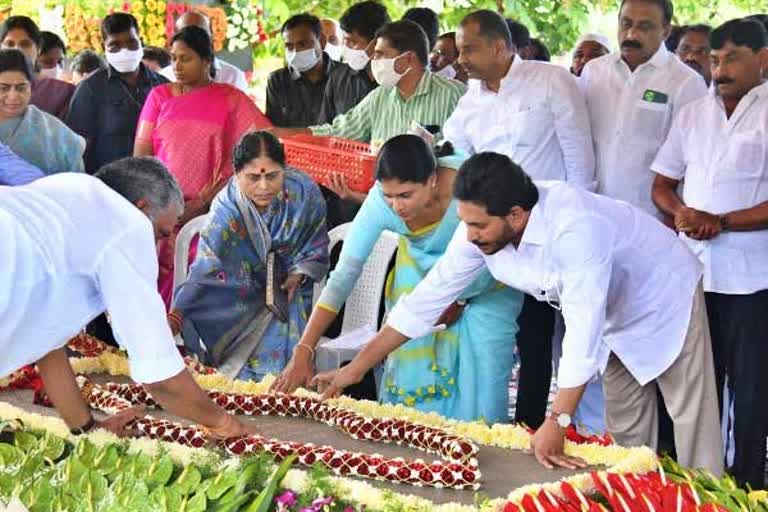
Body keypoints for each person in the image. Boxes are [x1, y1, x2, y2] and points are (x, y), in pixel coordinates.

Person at [314, 152, 724, 476]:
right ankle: (640, 497)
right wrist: (356, 369)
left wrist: (558, 420)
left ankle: (709, 500)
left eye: (478, 226)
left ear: (516, 215)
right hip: (613, 316)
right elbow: (425, 301)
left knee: (692, 419)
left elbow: (582, 332)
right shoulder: (478, 227)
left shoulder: (574, 228)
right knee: (626, 431)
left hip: (663, 296)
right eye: (466, 224)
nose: (469, 236)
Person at [0, 157, 258, 441]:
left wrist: (88, 430)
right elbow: (161, 376)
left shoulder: (67, 193)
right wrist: (224, 424)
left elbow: (48, 345)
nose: (159, 248)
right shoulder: (127, 224)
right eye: (161, 234)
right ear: (141, 208)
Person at [273, 135, 522, 423]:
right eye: (388, 195)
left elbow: (500, 243)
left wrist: (461, 297)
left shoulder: (469, 189)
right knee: (411, 373)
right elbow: (343, 276)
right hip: (419, 279)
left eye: (405, 195)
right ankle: (415, 462)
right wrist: (303, 350)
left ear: (432, 180)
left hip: (488, 282)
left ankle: (481, 459)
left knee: (485, 380)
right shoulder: (381, 201)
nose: (396, 206)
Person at [443, 10, 595, 429]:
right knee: (527, 335)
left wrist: (577, 228)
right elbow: (456, 155)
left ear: (498, 46)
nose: (462, 59)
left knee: (575, 333)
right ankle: (527, 426)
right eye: (459, 51)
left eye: (469, 49)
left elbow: (580, 161)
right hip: (499, 238)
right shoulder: (469, 99)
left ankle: (575, 425)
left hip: (553, 232)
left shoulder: (551, 81)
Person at [651, 18, 768, 489]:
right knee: (696, 384)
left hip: (751, 278)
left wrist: (720, 222)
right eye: (715, 60)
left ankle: (748, 484)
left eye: (731, 58)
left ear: (762, 59)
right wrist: (681, 212)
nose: (719, 69)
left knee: (751, 386)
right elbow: (661, 183)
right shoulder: (694, 113)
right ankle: (694, 479)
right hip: (692, 275)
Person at [170, 131, 329, 381]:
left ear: (284, 169)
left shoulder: (304, 192)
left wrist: (299, 272)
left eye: (273, 176)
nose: (264, 187)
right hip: (239, 295)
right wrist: (177, 313)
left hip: (289, 292)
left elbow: (315, 243)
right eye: (253, 178)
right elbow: (205, 268)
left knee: (282, 358)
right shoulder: (227, 208)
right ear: (236, 174)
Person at [135, 26, 271, 308]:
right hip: (159, 213)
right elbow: (141, 156)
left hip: (211, 213)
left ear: (207, 60)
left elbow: (261, 148)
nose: (177, 66)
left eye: (186, 59)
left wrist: (203, 202)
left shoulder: (231, 100)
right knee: (153, 301)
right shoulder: (160, 97)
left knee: (201, 299)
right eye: (173, 59)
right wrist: (160, 207)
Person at [275, 20, 467, 171]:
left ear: (408, 58)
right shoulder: (380, 97)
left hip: (437, 205)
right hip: (383, 200)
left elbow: (467, 154)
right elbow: (338, 131)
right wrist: (283, 135)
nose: (374, 61)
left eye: (381, 54)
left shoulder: (454, 95)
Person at [580, 0, 707, 218]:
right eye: (626, 23)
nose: (631, 33)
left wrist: (674, 217)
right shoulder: (594, 71)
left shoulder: (685, 82)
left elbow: (691, 160)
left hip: (651, 216)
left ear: (665, 30)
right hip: (594, 209)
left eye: (644, 26)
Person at [66, 13, 168, 175]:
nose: (125, 51)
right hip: (108, 185)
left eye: (131, 43)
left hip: (156, 183)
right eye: (115, 45)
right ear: (103, 47)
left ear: (141, 42)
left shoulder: (162, 86)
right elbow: (77, 149)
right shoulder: (91, 89)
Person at [0, 49, 84, 174]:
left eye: (21, 88)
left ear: (31, 87)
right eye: (4, 88)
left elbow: (76, 181)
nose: (13, 96)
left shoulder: (54, 131)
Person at [317, 1, 390, 124]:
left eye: (352, 42)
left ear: (376, 43)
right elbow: (324, 129)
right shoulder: (338, 78)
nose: (345, 47)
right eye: (344, 40)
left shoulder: (396, 82)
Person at [266, 13, 339, 127]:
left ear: (322, 42)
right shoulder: (278, 80)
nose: (296, 51)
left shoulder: (345, 77)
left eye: (302, 44)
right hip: (292, 145)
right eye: (289, 46)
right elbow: (274, 129)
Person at [0, 16, 74, 120]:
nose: (17, 50)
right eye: (9, 44)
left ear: (38, 49)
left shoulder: (63, 92)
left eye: (25, 44)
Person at [160, 10, 248, 93]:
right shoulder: (164, 77)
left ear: (211, 37)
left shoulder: (234, 77)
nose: (194, 42)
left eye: (201, 35)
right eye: (186, 36)